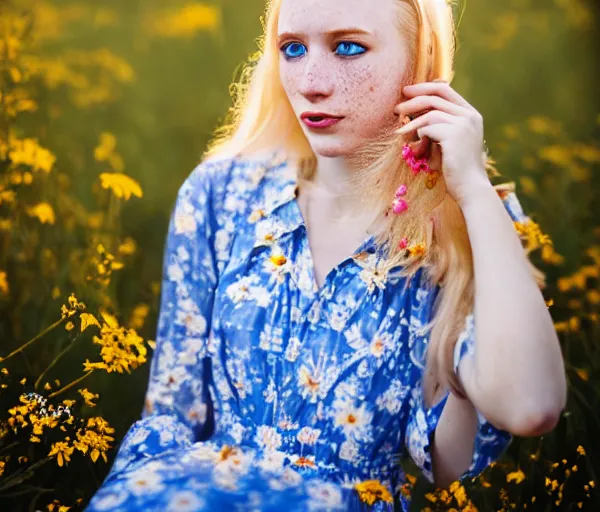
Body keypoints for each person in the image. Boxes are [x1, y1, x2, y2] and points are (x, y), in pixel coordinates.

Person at [85, 0, 567, 510]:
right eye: (292, 48)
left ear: (419, 61)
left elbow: (528, 407)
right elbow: (171, 414)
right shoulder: (223, 194)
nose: (311, 81)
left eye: (349, 47)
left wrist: (470, 188)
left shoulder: (460, 228)